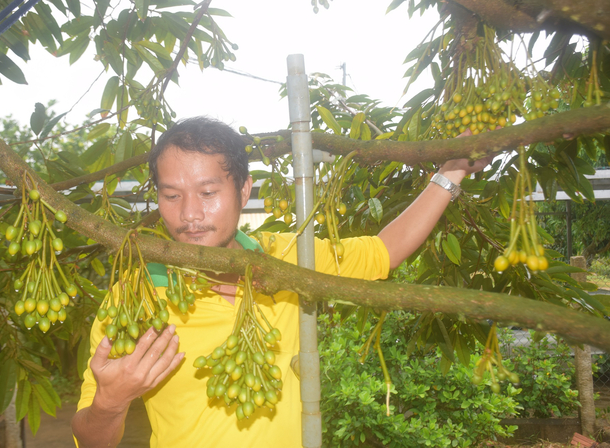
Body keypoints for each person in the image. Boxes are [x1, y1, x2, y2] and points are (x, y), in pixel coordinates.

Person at [71, 117, 492, 447]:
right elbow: (91, 441)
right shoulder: (133, 300)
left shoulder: (288, 257)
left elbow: (383, 251)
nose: (190, 215)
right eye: (171, 195)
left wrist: (451, 171)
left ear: (244, 188)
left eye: (208, 192)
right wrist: (110, 402)